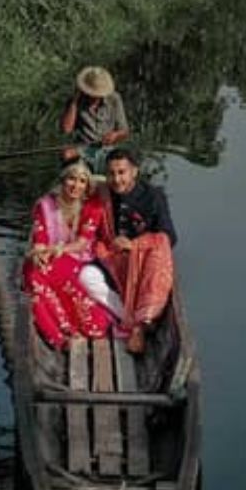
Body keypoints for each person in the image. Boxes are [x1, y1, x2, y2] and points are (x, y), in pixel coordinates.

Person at [22, 160, 123, 350]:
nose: (76, 185)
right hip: (49, 256)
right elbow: (40, 237)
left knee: (40, 278)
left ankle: (73, 330)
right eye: (71, 179)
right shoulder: (45, 204)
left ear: (87, 186)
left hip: (77, 256)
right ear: (63, 180)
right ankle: (60, 337)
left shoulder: (92, 207)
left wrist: (59, 250)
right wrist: (39, 253)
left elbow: (82, 243)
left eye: (82, 181)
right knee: (33, 273)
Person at [93, 148, 176, 354]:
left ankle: (138, 324)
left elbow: (169, 236)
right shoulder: (101, 194)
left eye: (122, 172)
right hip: (111, 259)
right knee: (85, 276)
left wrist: (134, 245)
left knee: (160, 251)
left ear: (134, 172)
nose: (117, 179)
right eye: (111, 173)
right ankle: (126, 317)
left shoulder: (153, 196)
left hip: (142, 261)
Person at [60, 65, 129, 173]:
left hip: (108, 148)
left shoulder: (114, 99)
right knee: (67, 154)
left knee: (121, 163)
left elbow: (124, 131)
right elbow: (66, 129)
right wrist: (74, 103)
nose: (94, 96)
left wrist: (115, 135)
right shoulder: (76, 101)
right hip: (84, 148)